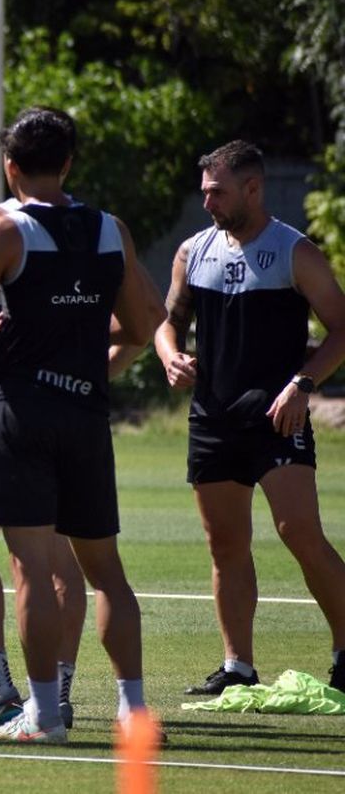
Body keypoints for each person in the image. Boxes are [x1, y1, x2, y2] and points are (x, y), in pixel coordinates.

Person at [0, 107, 163, 743]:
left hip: (21, 412)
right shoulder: (108, 229)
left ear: (10, 167)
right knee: (106, 572)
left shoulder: (4, 229)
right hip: (87, 413)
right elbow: (147, 325)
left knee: (31, 569)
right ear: (68, 164)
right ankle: (134, 709)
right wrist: (85, 346)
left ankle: (42, 715)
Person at [155, 139, 345, 695]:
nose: (207, 202)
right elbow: (169, 322)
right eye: (205, 192)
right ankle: (237, 665)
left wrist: (302, 386)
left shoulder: (295, 252)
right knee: (225, 545)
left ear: (253, 189)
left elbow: (341, 328)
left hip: (278, 417)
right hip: (213, 419)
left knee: (300, 533)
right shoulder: (193, 251)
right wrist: (170, 356)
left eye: (217, 192)